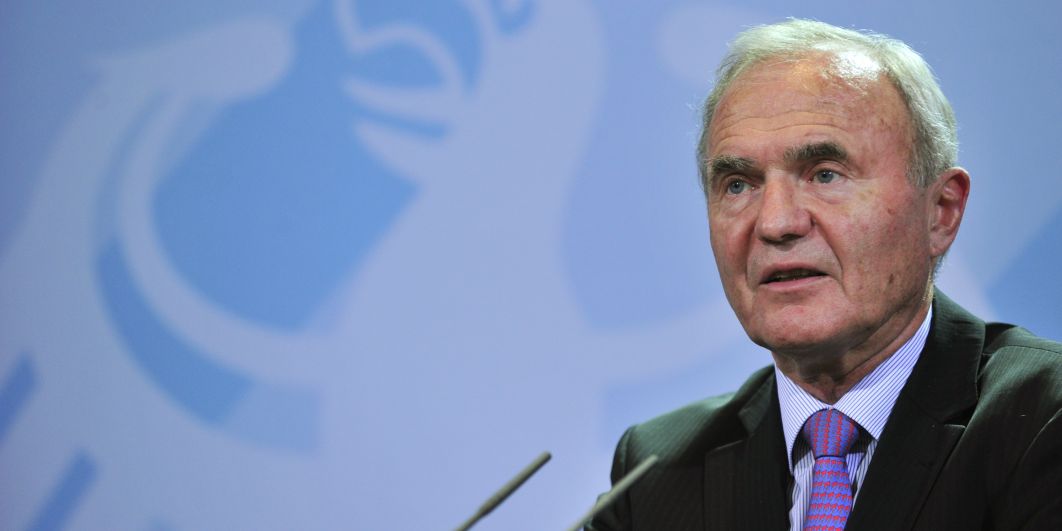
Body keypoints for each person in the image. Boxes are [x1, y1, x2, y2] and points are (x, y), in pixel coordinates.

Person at [587, 19, 1062, 531]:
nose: (775, 223)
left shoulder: (1042, 417)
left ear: (940, 212)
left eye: (825, 175)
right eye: (738, 184)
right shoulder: (656, 472)